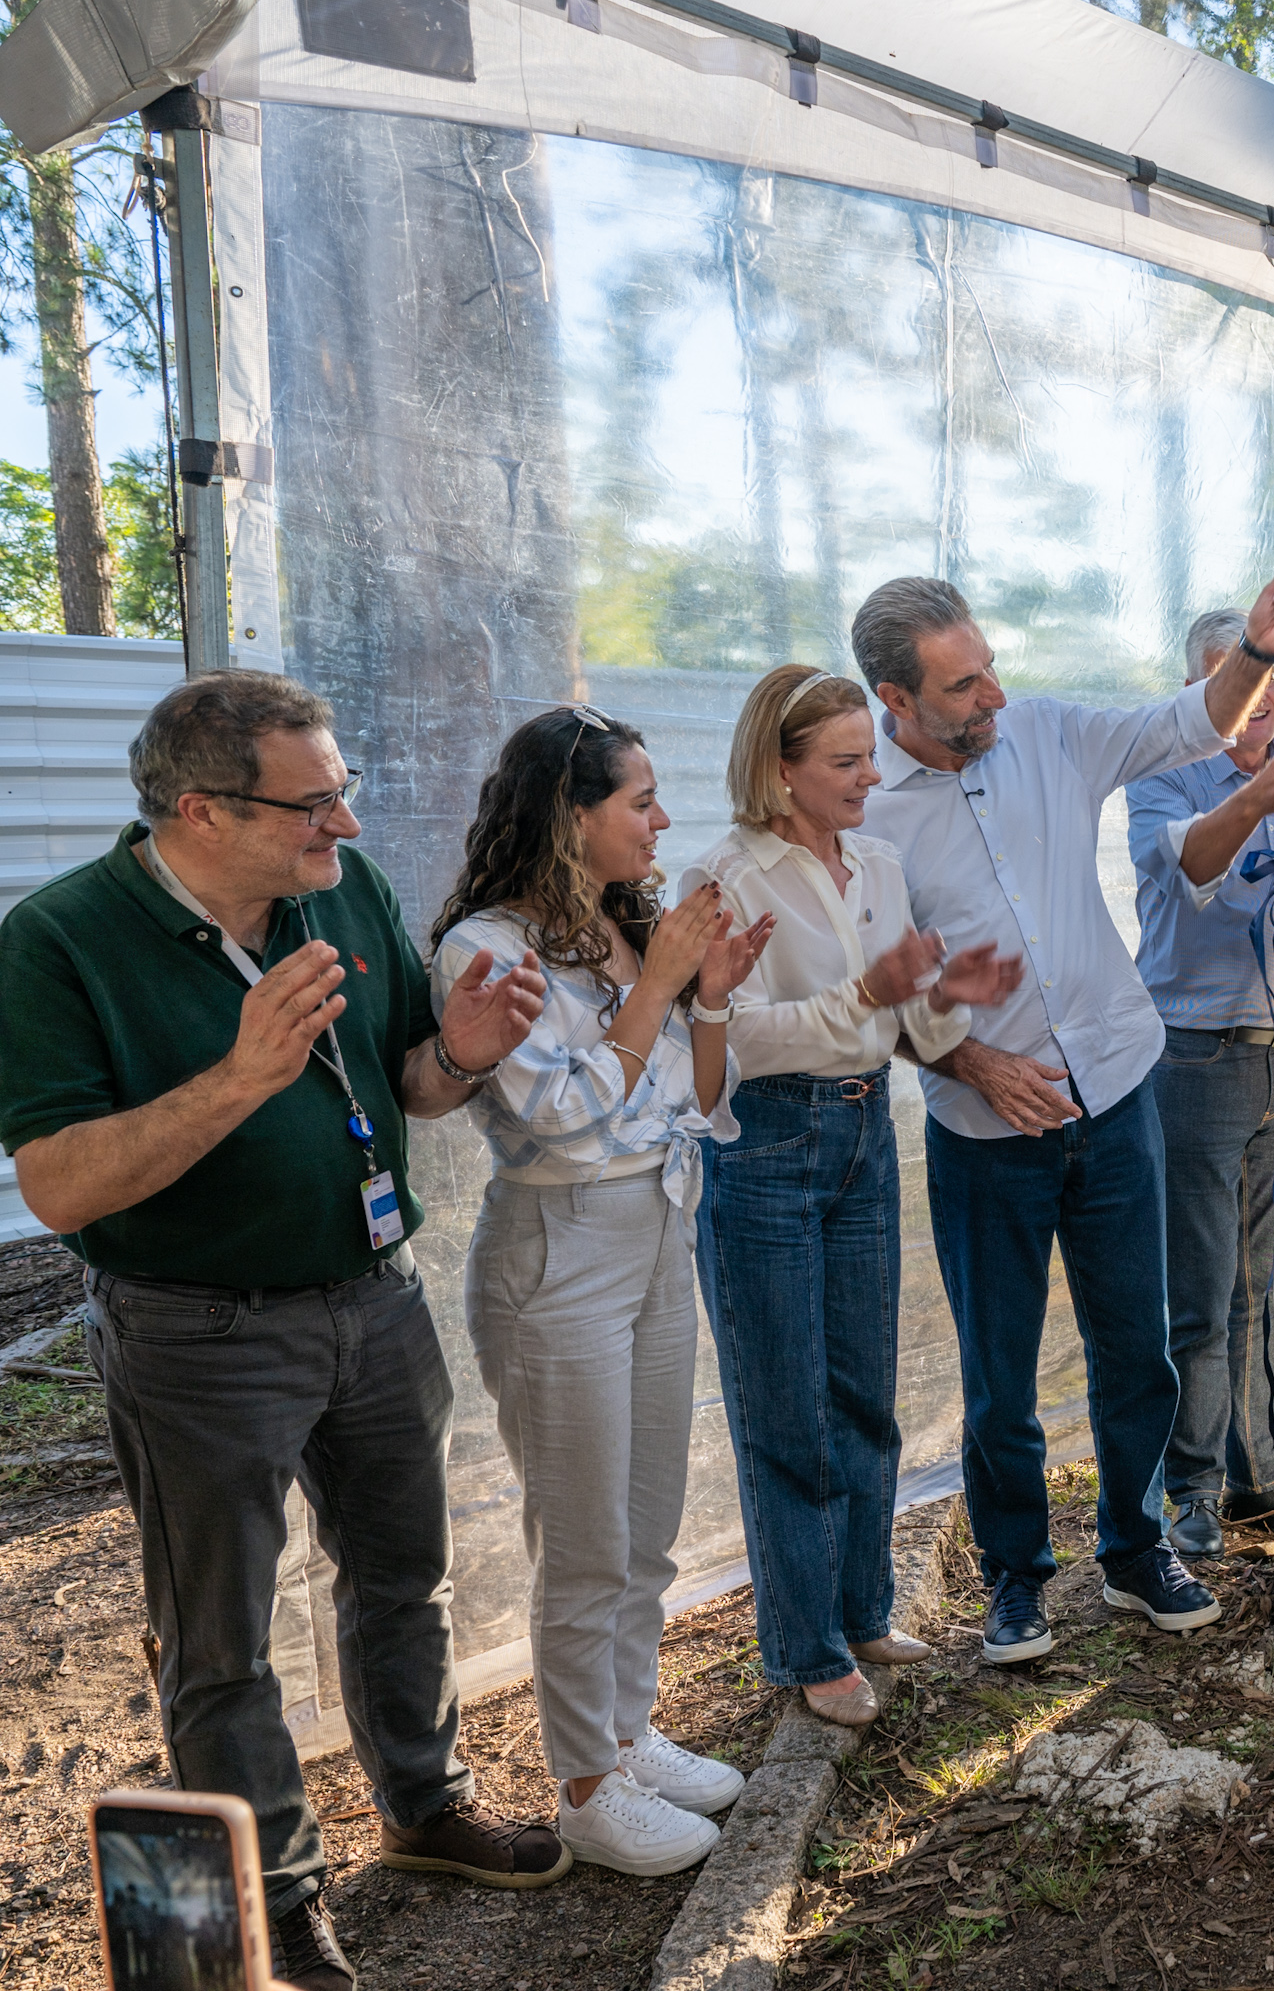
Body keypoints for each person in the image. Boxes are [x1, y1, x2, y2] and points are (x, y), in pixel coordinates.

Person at [0, 671, 569, 1991]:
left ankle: (426, 1806)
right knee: (221, 1640)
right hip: (197, 1331)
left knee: (404, 1575)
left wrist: (464, 1050)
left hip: (374, 1296)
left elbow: (409, 1083)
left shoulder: (338, 889)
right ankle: (276, 1899)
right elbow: (60, 1187)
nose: (346, 826)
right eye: (313, 805)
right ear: (200, 811)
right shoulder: (60, 939)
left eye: (343, 793)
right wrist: (240, 1076)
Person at [859, 565, 1274, 1666]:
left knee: (1139, 1349)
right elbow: (867, 995)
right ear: (894, 698)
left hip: (1116, 1096)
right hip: (987, 1134)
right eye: (963, 686)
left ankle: (1135, 1548)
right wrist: (971, 1059)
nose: (994, 696)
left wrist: (1257, 653)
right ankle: (1017, 1580)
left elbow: (1186, 721)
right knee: (1000, 1377)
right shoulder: (862, 810)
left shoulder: (1049, 734)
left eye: (991, 669)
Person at [430, 705, 773, 1878]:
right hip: (559, 1252)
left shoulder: (624, 928)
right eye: (640, 799)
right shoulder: (488, 949)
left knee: (646, 1521)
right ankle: (584, 1786)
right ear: (569, 815)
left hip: (658, 1232)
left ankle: (626, 1733)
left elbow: (702, 1099)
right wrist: (661, 979)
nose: (662, 819)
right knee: (583, 1539)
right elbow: (563, 1115)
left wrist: (707, 991)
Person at [682, 666, 1018, 1727]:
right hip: (766, 1140)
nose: (872, 775)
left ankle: (864, 1610)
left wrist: (943, 996)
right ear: (778, 770)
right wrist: (867, 993)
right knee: (785, 1406)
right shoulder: (725, 877)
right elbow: (728, 1044)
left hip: (867, 1131)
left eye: (870, 755)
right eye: (846, 761)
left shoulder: (876, 861)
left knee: (864, 1391)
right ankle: (807, 1645)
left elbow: (900, 1019)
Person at [1126, 610, 1274, 1560]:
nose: (1265, 704)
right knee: (1200, 1290)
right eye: (1246, 685)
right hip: (1194, 1056)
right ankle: (1191, 1489)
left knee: (1260, 1278)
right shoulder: (1165, 773)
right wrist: (1261, 797)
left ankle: (1259, 1470)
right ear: (1201, 690)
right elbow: (1196, 864)